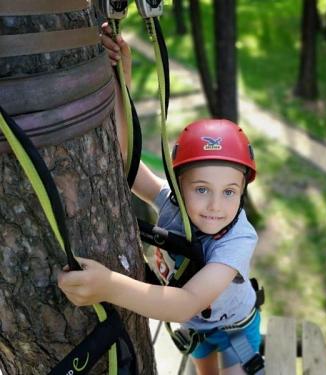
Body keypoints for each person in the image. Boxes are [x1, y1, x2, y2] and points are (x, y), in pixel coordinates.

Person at [58, 25, 262, 375]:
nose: (215, 205)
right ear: (178, 185)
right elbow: (127, 163)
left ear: (242, 192)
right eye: (201, 189)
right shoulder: (172, 206)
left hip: (233, 329)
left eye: (229, 192)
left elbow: (185, 304)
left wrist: (108, 285)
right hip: (196, 329)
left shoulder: (238, 241)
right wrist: (119, 85)